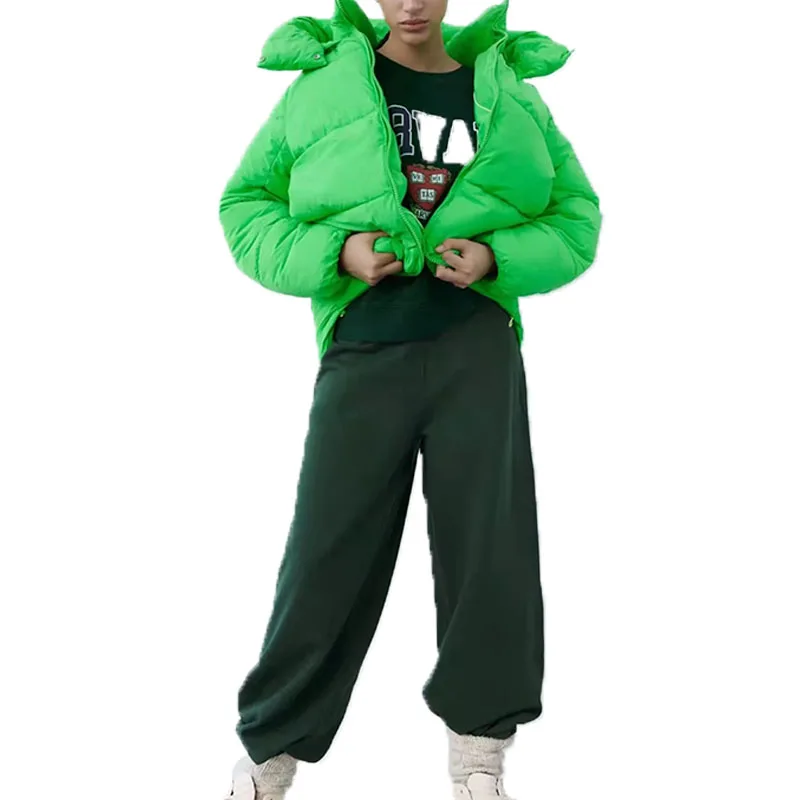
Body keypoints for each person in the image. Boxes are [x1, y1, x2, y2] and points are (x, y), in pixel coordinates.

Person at [218, 0, 601, 797]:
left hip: (476, 350)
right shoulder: (324, 83)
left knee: (489, 552)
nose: (412, 3)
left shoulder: (509, 91)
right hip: (364, 349)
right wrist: (337, 252)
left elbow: (577, 216)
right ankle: (269, 756)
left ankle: (479, 757)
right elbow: (245, 205)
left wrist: (497, 257)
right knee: (327, 553)